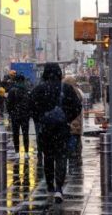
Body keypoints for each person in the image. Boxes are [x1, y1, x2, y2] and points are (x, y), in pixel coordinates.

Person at [30, 63, 82, 203]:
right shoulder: (66, 88)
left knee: (48, 157)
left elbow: (31, 107)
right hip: (61, 129)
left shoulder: (39, 89)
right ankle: (59, 187)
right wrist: (67, 118)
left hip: (45, 130)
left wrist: (41, 118)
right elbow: (77, 106)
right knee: (61, 157)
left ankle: (50, 185)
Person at [6, 73, 32, 160]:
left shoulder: (12, 90)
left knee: (16, 134)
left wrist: (11, 113)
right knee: (25, 134)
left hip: (15, 115)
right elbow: (31, 103)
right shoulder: (27, 90)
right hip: (25, 115)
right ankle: (26, 152)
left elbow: (8, 104)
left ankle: (17, 152)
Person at [63, 76, 84, 160]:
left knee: (72, 138)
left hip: (71, 120)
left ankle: (72, 154)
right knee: (76, 138)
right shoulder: (78, 91)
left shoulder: (68, 92)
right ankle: (76, 155)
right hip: (77, 119)